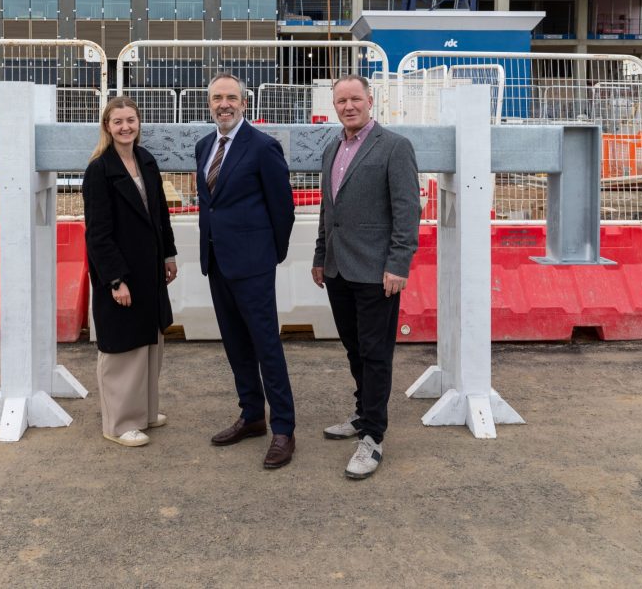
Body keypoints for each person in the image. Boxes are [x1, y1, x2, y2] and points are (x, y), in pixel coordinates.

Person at [312, 74, 420, 479]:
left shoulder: (394, 147)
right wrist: (321, 256)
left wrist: (398, 264)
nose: (348, 106)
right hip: (339, 269)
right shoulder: (332, 148)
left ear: (370, 101)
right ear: (335, 105)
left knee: (376, 355)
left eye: (355, 99)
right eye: (341, 101)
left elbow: (407, 211)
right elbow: (329, 211)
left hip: (377, 272)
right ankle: (362, 414)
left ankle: (373, 436)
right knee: (355, 349)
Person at [196, 72, 296, 469]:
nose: (224, 103)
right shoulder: (205, 145)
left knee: (266, 346)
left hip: (253, 264)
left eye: (231, 97)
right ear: (210, 104)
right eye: (218, 97)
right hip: (217, 261)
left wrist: (270, 256)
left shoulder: (262, 147)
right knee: (236, 345)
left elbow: (283, 209)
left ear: (244, 102)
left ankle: (284, 428)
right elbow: (212, 204)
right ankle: (252, 415)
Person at [83, 97, 178, 447]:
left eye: (131, 120)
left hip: (149, 268)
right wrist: (115, 279)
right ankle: (120, 423)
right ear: (107, 126)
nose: (125, 127)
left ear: (139, 123)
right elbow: (97, 233)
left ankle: (146, 413)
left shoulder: (146, 161)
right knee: (123, 349)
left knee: (151, 343)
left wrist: (168, 254)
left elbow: (160, 215)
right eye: (118, 121)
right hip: (122, 272)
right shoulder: (99, 170)